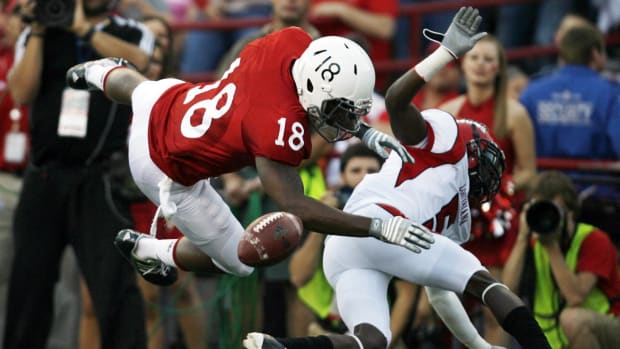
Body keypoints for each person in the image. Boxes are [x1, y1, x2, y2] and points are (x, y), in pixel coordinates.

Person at [243, 7, 551, 349]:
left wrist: (480, 346)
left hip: (345, 245)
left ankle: (284, 347)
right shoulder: (444, 142)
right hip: (384, 226)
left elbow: (441, 296)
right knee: (489, 285)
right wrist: (444, 54)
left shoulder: (455, 214)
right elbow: (396, 98)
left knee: (370, 341)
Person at [65, 28, 429, 291]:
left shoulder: (292, 42)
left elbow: (317, 98)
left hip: (174, 102)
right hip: (161, 166)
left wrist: (364, 132)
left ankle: (99, 71)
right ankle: (153, 250)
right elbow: (296, 206)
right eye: (342, 111)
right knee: (241, 259)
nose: (346, 119)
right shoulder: (277, 124)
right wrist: (378, 227)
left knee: (141, 89)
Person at [3, 0, 155, 347]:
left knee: (115, 287)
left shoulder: (133, 31)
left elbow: (139, 66)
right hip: (44, 175)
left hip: (99, 177)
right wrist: (39, 28)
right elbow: (21, 92)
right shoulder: (39, 31)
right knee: (28, 287)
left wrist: (83, 29)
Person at [439, 34, 537, 347]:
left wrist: (500, 185)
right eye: (474, 58)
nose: (481, 65)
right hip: (460, 220)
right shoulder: (449, 110)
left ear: (499, 68)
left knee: (497, 308)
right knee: (448, 307)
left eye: (488, 59)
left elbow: (529, 172)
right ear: (463, 64)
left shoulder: (515, 114)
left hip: (497, 223)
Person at [519, 24, 620, 242]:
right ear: (595, 53)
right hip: (601, 203)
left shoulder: (532, 91)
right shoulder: (611, 94)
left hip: (540, 199)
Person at [502, 171, 620, 349]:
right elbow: (506, 293)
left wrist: (551, 246)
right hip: (553, 339)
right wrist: (521, 238)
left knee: (572, 319)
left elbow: (575, 297)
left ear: (571, 212)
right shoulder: (533, 243)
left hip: (607, 328)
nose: (547, 217)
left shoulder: (593, 239)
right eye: (540, 208)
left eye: (554, 210)